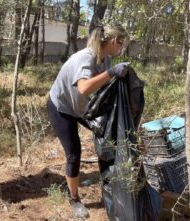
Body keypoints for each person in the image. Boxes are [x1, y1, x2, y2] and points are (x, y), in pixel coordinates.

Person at [47, 23, 129, 219]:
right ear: (112, 41)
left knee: (108, 135)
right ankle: (74, 199)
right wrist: (111, 73)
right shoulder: (84, 58)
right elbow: (83, 87)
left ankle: (113, 186)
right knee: (74, 153)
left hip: (83, 107)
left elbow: (101, 87)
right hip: (62, 107)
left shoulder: (106, 58)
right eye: (121, 44)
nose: (121, 49)